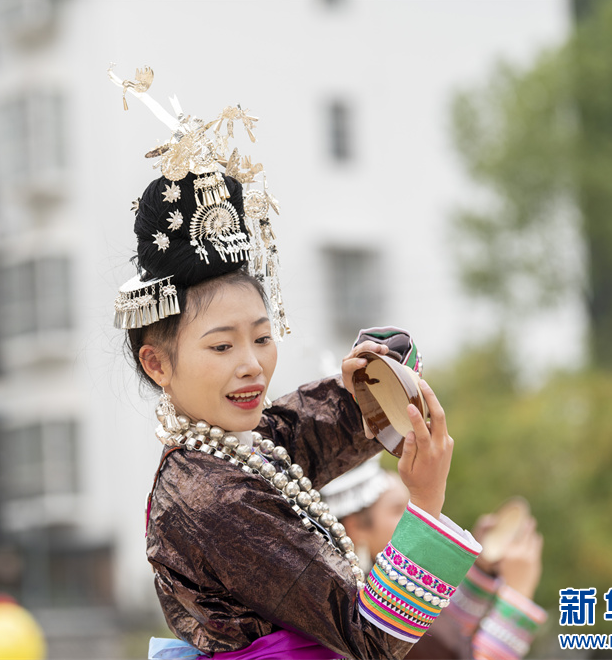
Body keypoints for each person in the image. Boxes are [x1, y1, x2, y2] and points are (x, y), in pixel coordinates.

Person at [108, 67, 483, 660]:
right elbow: (368, 635)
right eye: (222, 346)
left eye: (261, 337)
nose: (252, 364)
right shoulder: (212, 497)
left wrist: (375, 375)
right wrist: (425, 503)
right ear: (157, 364)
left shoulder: (235, 450)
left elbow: (314, 427)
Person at [323, 463, 546, 660]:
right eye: (400, 509)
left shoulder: (350, 595)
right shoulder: (361, 606)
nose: (418, 517)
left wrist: (482, 570)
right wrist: (518, 595)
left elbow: (446, 641)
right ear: (356, 528)